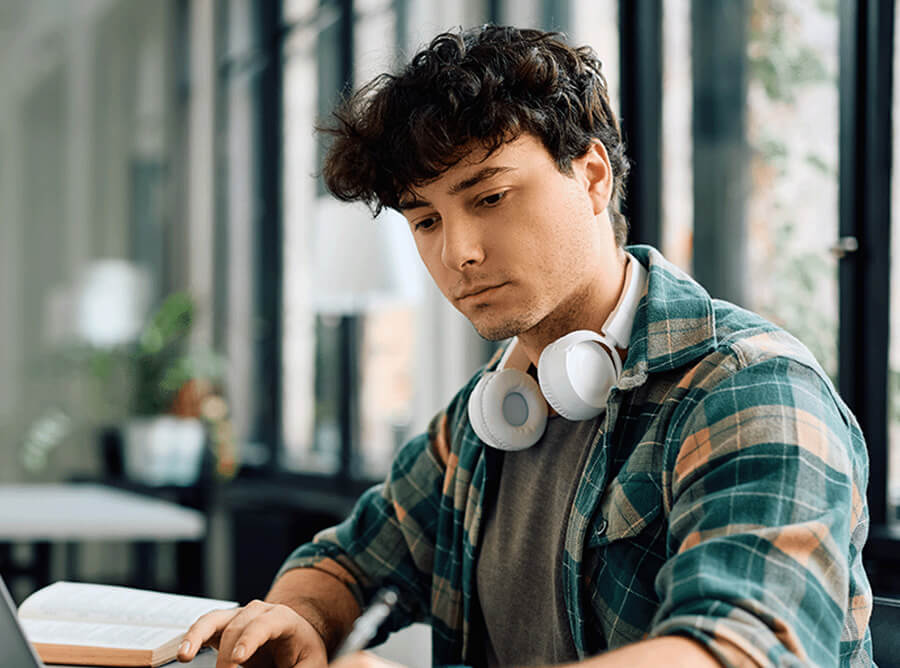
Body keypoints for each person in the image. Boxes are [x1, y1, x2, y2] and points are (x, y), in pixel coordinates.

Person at [178, 25, 872, 668]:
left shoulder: (751, 390)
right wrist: (300, 619)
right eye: (426, 220)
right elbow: (346, 562)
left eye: (490, 198)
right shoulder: (487, 417)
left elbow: (739, 653)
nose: (459, 252)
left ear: (593, 176)